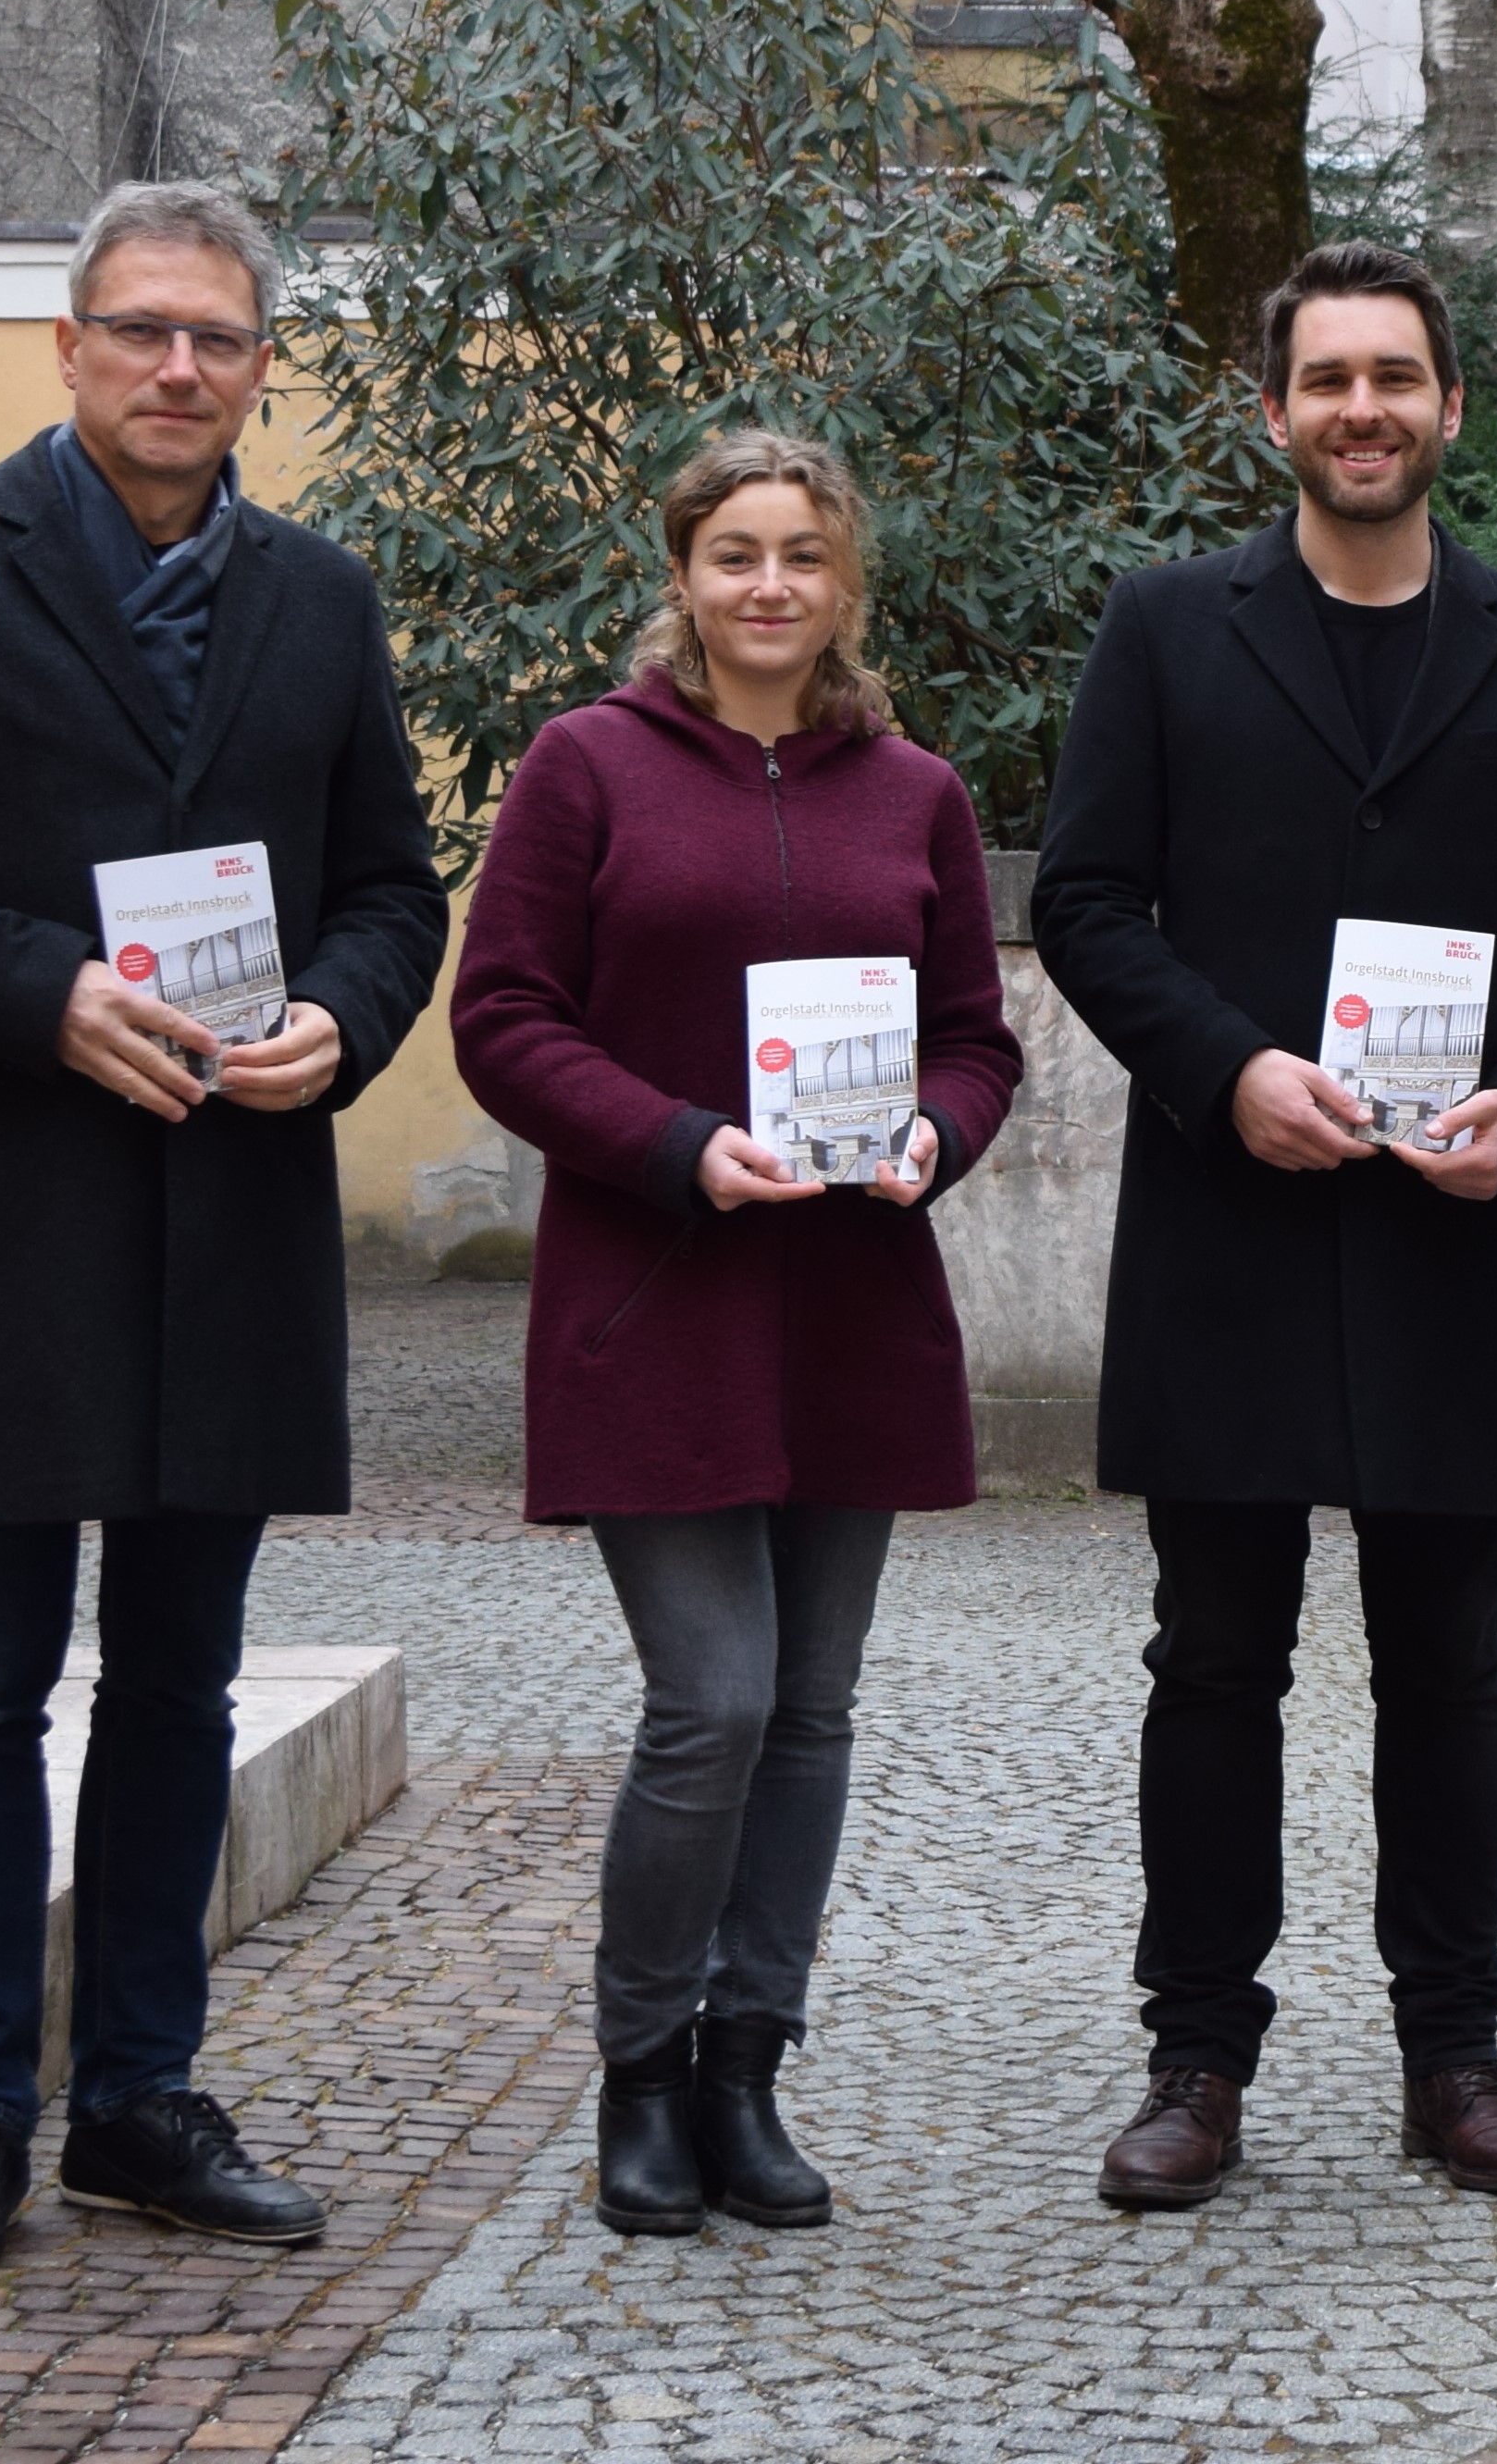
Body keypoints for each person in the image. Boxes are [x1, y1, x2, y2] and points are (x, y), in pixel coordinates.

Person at [0, 180, 452, 2284]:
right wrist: (33, 988)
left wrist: (344, 1013)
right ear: (67, 346)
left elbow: (394, 892)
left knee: (181, 1691)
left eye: (216, 338)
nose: (175, 368)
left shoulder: (320, 600)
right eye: (138, 330)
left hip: (231, 1208)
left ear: (257, 365)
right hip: (8, 1211)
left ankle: (139, 2096)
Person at [1033, 241, 1497, 2210]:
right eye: (1328, 379)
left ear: (1452, 408)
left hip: (1449, 1228)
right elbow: (1090, 904)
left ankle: (1452, 2060)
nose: (1363, 409)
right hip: (1232, 1216)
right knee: (1214, 1663)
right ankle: (1196, 2060)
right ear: (1273, 409)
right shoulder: (1165, 629)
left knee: (1448, 1668)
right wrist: (1230, 1074)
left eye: (1398, 377)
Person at [450, 431, 1024, 2236]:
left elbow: (977, 1034)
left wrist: (941, 1131)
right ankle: (642, 2070)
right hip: (659, 1296)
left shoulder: (913, 789)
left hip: (850, 1300)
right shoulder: (585, 769)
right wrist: (678, 1146)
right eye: (734, 555)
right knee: (713, 1705)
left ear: (847, 585)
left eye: (802, 556)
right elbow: (506, 1017)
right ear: (682, 576)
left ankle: (747, 2068)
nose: (768, 585)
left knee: (813, 1717)